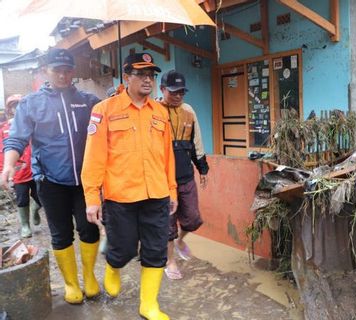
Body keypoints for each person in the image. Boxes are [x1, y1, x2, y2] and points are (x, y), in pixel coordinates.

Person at [81, 52, 177, 320]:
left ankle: (148, 305)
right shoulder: (104, 110)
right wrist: (92, 197)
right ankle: (114, 266)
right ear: (127, 77)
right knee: (122, 249)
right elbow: (94, 157)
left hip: (156, 193)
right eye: (141, 74)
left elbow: (167, 155)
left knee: (156, 250)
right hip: (120, 196)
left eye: (152, 75)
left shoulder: (160, 112)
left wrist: (172, 190)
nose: (148, 80)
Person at [1, 48, 101, 304]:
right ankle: (71, 284)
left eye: (67, 70)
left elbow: (106, 129)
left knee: (89, 230)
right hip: (50, 181)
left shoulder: (88, 101)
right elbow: (17, 138)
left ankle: (89, 277)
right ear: (46, 70)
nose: (63, 75)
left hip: (85, 182)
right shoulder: (31, 103)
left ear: (73, 72)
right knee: (61, 234)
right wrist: (9, 165)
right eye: (57, 70)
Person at [158, 70, 209, 280]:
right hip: (162, 180)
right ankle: (170, 261)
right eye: (173, 92)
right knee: (168, 225)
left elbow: (196, 141)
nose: (178, 96)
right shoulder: (153, 110)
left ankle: (180, 241)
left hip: (185, 176)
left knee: (193, 219)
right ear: (162, 90)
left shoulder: (189, 111)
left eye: (181, 92)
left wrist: (202, 168)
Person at [0, 94, 42, 238]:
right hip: (18, 173)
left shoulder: (34, 124)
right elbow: (2, 152)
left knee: (42, 197)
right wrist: (3, 170)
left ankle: (36, 209)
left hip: (35, 169)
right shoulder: (4, 129)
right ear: (9, 109)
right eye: (13, 105)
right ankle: (25, 226)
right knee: (22, 199)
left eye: (19, 104)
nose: (16, 108)